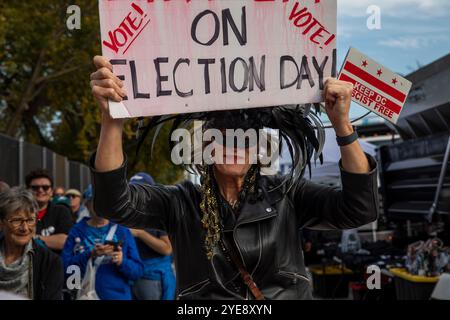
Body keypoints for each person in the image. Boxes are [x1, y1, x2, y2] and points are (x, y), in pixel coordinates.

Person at [89, 56, 379, 299]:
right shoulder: (180, 202)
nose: (234, 145)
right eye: (223, 136)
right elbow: (114, 203)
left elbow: (358, 208)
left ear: (260, 149)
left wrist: (341, 123)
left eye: (246, 137)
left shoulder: (287, 194)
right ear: (206, 146)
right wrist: (112, 121)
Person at [62, 185, 143, 300]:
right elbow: (66, 269)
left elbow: (138, 272)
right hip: (85, 296)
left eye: (105, 202)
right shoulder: (76, 231)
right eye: (96, 202)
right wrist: (90, 255)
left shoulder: (122, 231)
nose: (101, 207)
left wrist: (121, 261)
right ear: (87, 204)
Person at [0, 187, 63, 300]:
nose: (24, 228)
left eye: (30, 220)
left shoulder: (50, 262)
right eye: (17, 220)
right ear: (1, 223)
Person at [129, 173, 176, 300]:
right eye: (133, 190)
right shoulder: (128, 215)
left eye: (141, 190)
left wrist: (140, 233)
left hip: (152, 278)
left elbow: (167, 248)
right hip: (130, 276)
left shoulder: (159, 215)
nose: (136, 195)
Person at [25, 169, 73, 252]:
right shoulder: (18, 212)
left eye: (45, 187)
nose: (40, 190)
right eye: (35, 187)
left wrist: (33, 237)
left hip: (54, 263)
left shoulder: (61, 211)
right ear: (27, 190)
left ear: (51, 192)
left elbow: (65, 241)